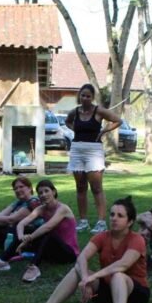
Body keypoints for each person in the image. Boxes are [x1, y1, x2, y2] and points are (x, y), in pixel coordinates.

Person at [24, 197, 149, 303]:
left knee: (118, 275)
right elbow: (82, 257)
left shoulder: (137, 239)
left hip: (135, 293)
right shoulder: (102, 236)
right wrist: (85, 278)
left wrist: (93, 276)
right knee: (76, 269)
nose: (114, 218)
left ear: (130, 221)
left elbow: (123, 264)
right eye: (112, 214)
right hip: (107, 289)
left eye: (120, 216)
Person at [0, 179, 79, 282]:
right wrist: (21, 237)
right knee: (29, 228)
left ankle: (34, 267)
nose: (43, 195)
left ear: (54, 192)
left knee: (46, 232)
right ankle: (2, 261)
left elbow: (48, 227)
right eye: (40, 193)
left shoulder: (63, 208)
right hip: (50, 251)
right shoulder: (40, 209)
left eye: (46, 191)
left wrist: (28, 239)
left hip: (68, 253)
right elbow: (21, 224)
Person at [65, 83, 122, 234]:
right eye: (83, 95)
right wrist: (76, 129)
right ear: (79, 96)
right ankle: (83, 221)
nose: (85, 98)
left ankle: (101, 222)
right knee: (80, 187)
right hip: (77, 149)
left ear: (92, 97)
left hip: (93, 151)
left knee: (96, 188)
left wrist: (104, 130)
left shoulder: (99, 111)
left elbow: (118, 120)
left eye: (88, 96)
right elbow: (67, 121)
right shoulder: (75, 112)